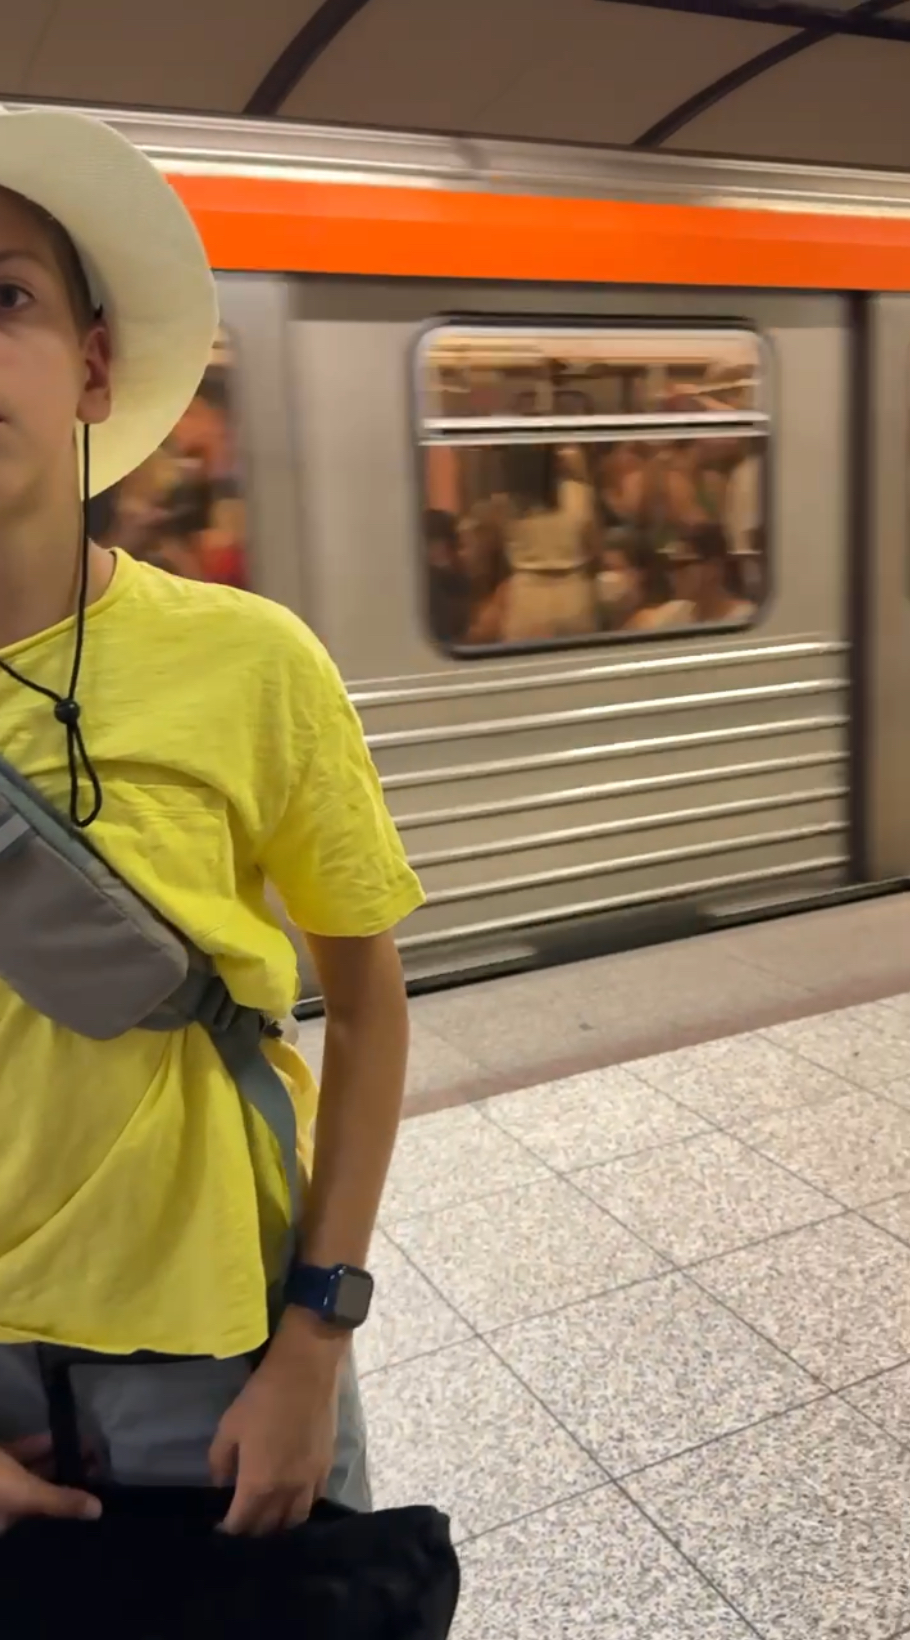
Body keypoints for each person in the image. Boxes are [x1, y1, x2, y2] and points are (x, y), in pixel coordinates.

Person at [0, 107, 424, 1535]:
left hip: (229, 1353)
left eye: (3, 297)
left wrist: (316, 1339)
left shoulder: (252, 664)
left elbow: (366, 1007)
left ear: (91, 366)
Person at [499, 445, 597, 643]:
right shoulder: (579, 492)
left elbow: (498, 547)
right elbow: (594, 545)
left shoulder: (506, 503)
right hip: (573, 592)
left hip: (527, 596)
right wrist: (581, 474)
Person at [669, 524, 755, 626]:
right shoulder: (678, 614)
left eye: (683, 564)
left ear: (712, 568)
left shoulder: (747, 619)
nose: (674, 574)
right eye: (671, 566)